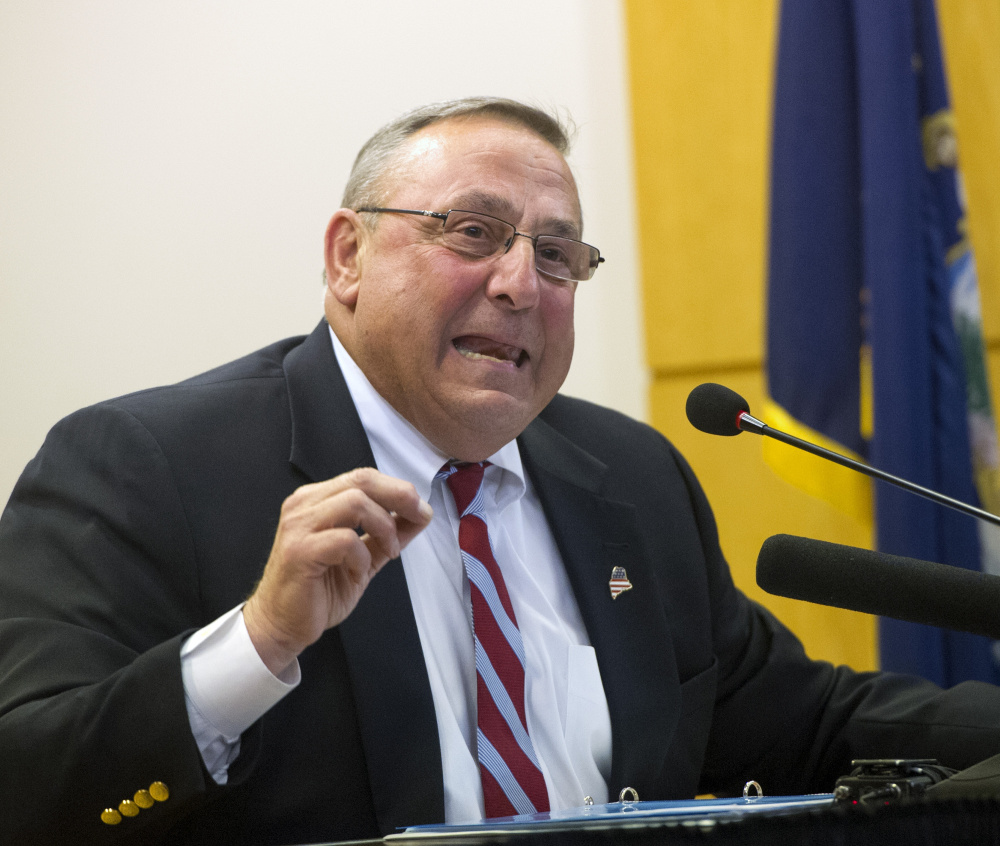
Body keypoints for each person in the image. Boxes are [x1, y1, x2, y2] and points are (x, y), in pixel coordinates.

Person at [2, 97, 999, 846]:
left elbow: (801, 721)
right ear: (346, 255)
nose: (522, 284)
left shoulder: (628, 474)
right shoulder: (144, 467)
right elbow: (28, 787)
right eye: (472, 233)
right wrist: (258, 643)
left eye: (558, 256)